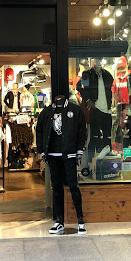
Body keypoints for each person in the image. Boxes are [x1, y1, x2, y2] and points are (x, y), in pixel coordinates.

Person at [36, 95, 87, 235]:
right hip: (52, 154)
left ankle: (80, 220)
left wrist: (80, 149)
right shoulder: (47, 112)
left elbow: (82, 130)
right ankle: (59, 221)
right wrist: (41, 150)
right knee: (56, 188)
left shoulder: (74, 110)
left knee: (73, 186)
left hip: (69, 154)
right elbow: (39, 130)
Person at [76, 57, 114, 157]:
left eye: (99, 61)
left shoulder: (107, 75)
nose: (97, 63)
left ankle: (107, 154)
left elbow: (110, 88)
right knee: (95, 134)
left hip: (106, 109)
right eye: (95, 60)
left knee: (107, 134)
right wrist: (88, 100)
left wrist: (110, 103)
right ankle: (93, 157)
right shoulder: (88, 74)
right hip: (95, 108)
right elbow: (79, 87)